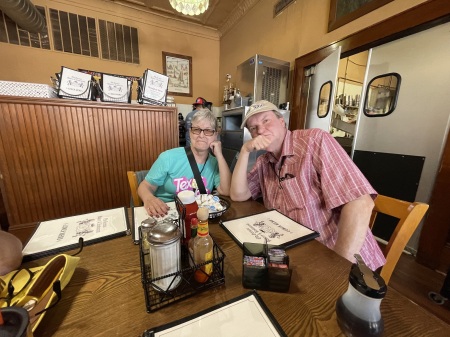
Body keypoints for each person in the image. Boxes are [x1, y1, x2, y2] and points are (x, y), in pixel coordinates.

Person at [230, 100, 385, 271]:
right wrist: (244, 151)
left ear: (282, 122)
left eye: (266, 120)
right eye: (253, 128)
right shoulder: (264, 161)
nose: (259, 130)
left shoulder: (314, 141)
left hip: (346, 262)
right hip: (300, 255)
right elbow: (238, 195)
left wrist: (337, 269)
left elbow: (361, 203)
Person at [138, 108, 231, 217]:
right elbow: (145, 186)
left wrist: (219, 155)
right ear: (190, 133)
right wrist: (149, 199)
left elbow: (226, 191)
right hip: (166, 212)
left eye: (208, 131)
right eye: (196, 129)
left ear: (215, 135)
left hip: (196, 216)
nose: (201, 135)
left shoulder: (215, 163)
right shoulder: (168, 157)